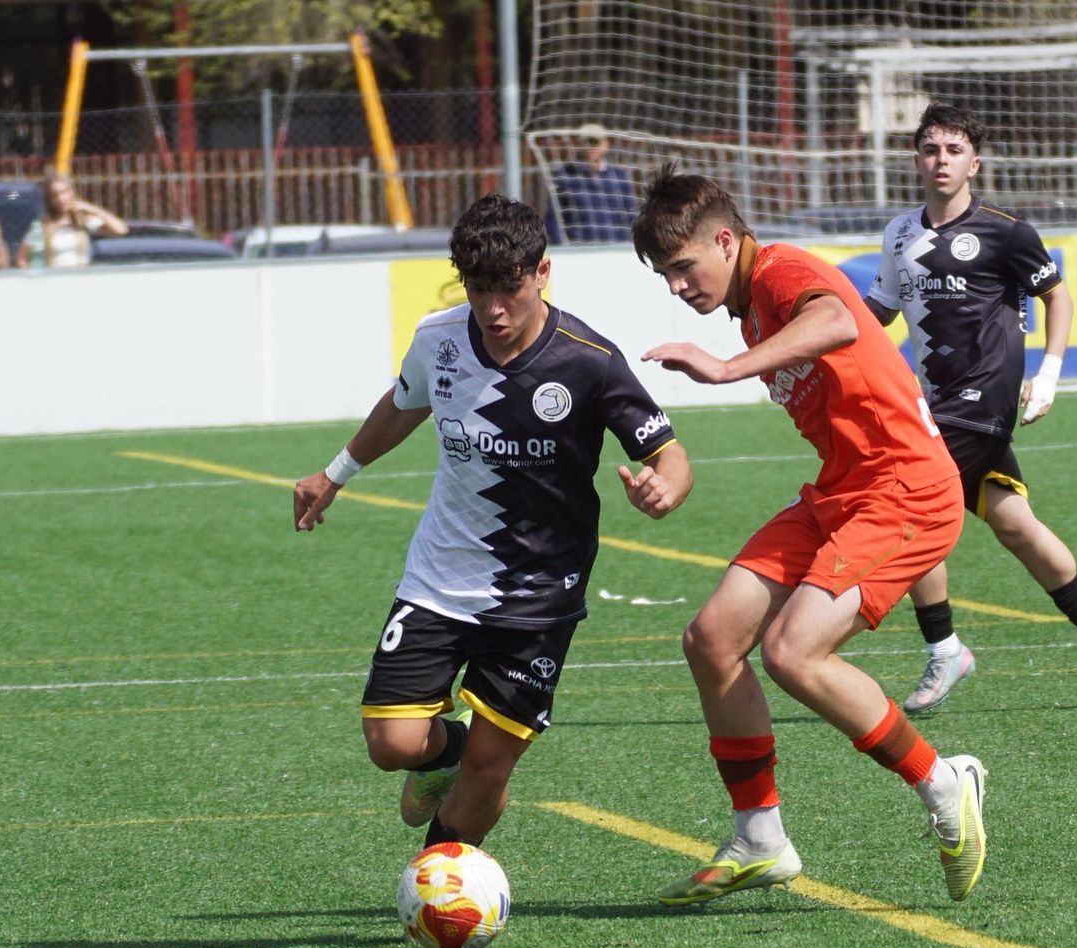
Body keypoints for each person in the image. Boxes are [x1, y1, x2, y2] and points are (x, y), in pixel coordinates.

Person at [292, 194, 692, 852]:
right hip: (439, 578)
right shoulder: (438, 340)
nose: (494, 309)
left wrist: (664, 489)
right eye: (480, 290)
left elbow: (668, 454)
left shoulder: (588, 360)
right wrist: (334, 473)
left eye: (509, 288)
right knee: (392, 744)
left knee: (491, 767)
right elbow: (403, 405)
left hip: (538, 595)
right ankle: (442, 758)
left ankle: (439, 878)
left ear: (542, 272)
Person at [633, 165, 987, 905]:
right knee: (712, 638)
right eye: (663, 274)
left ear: (725, 240)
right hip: (843, 492)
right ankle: (761, 837)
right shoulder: (748, 302)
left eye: (682, 267)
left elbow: (839, 320)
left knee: (793, 651)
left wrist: (729, 369)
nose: (675, 286)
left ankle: (942, 780)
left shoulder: (783, 272)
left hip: (906, 491)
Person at [862, 103, 1077, 714]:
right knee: (1014, 524)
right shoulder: (899, 233)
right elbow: (877, 312)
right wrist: (819, 346)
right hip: (929, 403)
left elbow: (1056, 298)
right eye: (931, 150)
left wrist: (1051, 374)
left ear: (973, 164)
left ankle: (944, 647)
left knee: (909, 506)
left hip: (983, 399)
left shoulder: (1006, 232)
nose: (941, 161)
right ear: (916, 160)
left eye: (953, 151)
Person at [544, 123, 639, 244]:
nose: (590, 147)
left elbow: (630, 216)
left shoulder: (619, 177)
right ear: (579, 144)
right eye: (586, 142)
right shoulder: (565, 176)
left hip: (616, 249)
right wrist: (562, 247)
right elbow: (553, 219)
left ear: (606, 144)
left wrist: (630, 245)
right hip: (579, 250)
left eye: (595, 142)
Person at [15, 171, 128, 269]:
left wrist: (93, 209)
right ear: (49, 200)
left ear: (71, 192)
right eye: (55, 195)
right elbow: (22, 259)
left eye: (63, 192)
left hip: (80, 278)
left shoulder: (82, 221)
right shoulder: (43, 226)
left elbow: (120, 230)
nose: (60, 199)